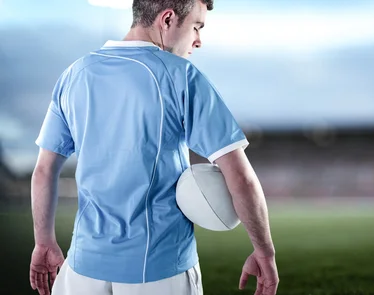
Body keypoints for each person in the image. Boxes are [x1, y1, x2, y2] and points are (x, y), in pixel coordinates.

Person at [28, 0, 279, 294]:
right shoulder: (182, 76)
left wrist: (43, 242)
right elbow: (239, 176)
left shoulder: (74, 75)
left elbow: (44, 170)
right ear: (168, 19)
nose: (198, 41)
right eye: (196, 27)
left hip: (81, 270)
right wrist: (264, 251)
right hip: (159, 271)